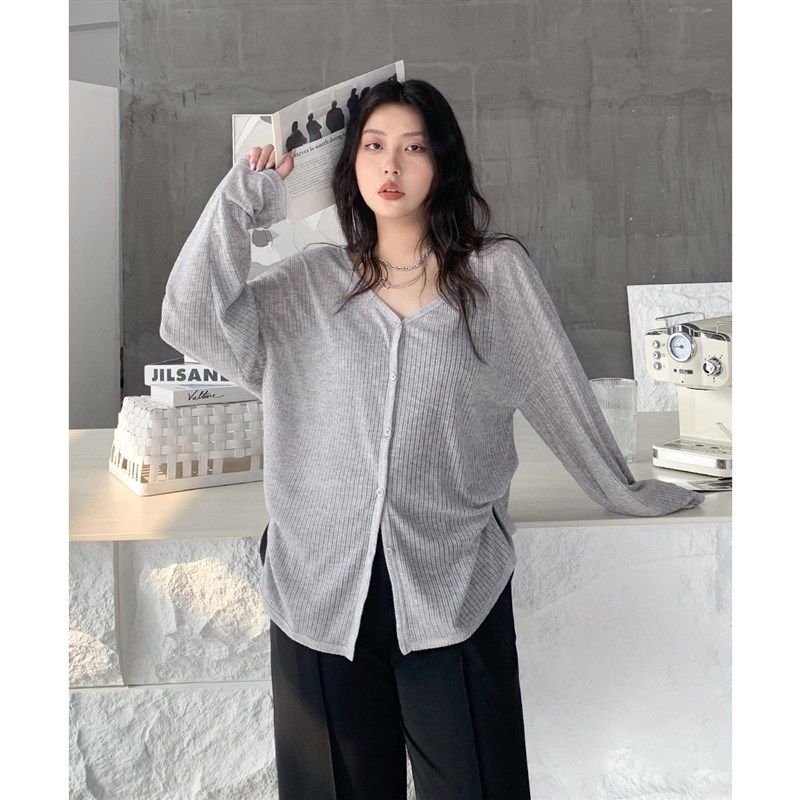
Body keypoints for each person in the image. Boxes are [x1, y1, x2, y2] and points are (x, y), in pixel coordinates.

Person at [160, 78, 704, 800]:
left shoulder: (494, 276)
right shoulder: (307, 286)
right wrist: (242, 204)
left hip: (451, 580)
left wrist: (623, 490)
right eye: (374, 146)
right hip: (320, 586)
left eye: (414, 148)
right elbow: (190, 318)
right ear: (349, 163)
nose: (391, 166)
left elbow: (558, 389)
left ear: (442, 163)